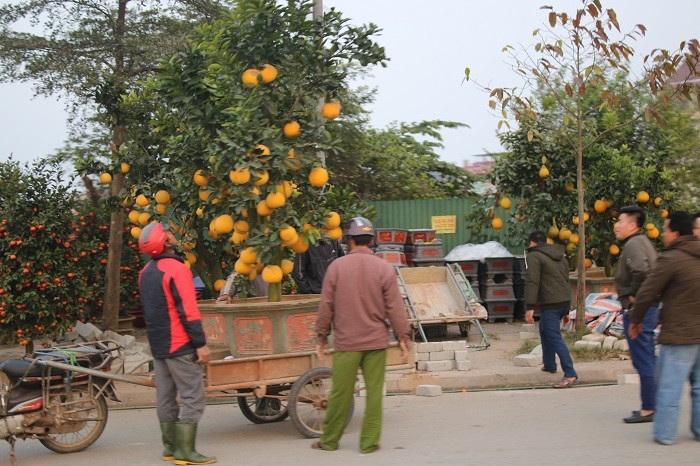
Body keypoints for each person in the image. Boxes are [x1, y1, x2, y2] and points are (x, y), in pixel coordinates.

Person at [312, 217, 411, 454]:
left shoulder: (336, 267)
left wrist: (321, 337)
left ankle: (329, 441)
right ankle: (368, 443)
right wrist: (403, 337)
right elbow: (395, 306)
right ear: (371, 241)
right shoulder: (383, 268)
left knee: (340, 393)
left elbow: (326, 305)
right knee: (374, 393)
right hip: (376, 342)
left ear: (350, 241)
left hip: (347, 343)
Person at [138, 222, 216, 465]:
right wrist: (200, 344)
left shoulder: (145, 273)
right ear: (165, 241)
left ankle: (170, 448)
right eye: (169, 232)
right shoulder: (177, 269)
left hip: (158, 345)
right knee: (193, 395)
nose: (173, 234)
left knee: (165, 396)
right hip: (180, 344)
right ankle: (186, 452)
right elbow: (189, 311)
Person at [629, 212, 700, 445]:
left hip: (680, 334)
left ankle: (666, 433)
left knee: (669, 386)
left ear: (676, 233)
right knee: (699, 387)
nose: (662, 233)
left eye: (665, 229)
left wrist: (635, 319)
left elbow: (647, 292)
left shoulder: (671, 259)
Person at [613, 205, 659, 424]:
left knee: (643, 359)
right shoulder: (640, 242)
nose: (616, 226)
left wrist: (632, 294)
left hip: (640, 310)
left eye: (620, 221)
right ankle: (655, 403)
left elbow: (641, 270)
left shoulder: (634, 244)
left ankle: (650, 408)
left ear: (632, 225)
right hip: (647, 307)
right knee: (646, 357)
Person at [524, 230, 578, 389]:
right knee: (545, 330)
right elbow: (564, 280)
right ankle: (549, 364)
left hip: (551, 304)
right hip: (563, 301)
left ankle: (570, 373)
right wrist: (567, 310)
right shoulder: (560, 256)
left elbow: (532, 282)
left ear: (532, 243)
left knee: (554, 337)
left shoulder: (534, 256)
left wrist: (529, 308)